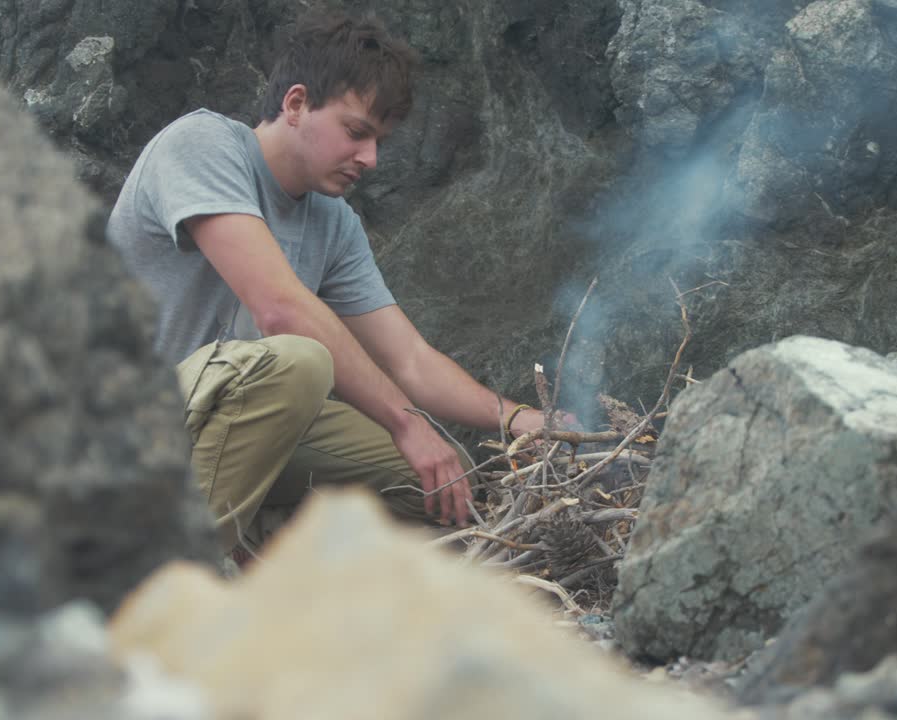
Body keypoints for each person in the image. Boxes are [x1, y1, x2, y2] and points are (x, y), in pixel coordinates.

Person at [106, 12, 558, 556]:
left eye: (379, 140)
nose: (370, 159)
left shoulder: (333, 220)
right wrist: (407, 423)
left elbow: (409, 357)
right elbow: (279, 308)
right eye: (356, 132)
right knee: (301, 364)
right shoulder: (201, 144)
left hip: (241, 420)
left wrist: (523, 420)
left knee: (444, 478)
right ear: (296, 104)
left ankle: (259, 540)